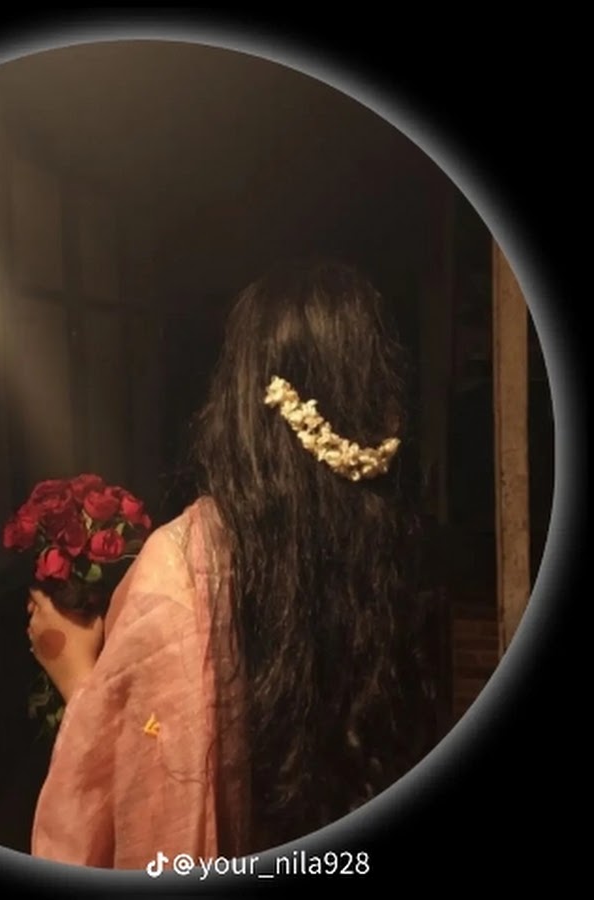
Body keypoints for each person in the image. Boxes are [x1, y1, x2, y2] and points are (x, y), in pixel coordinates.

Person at [25, 258, 438, 868]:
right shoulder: (393, 547)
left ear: (245, 396)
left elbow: (154, 804)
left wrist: (79, 682)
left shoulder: (182, 564)